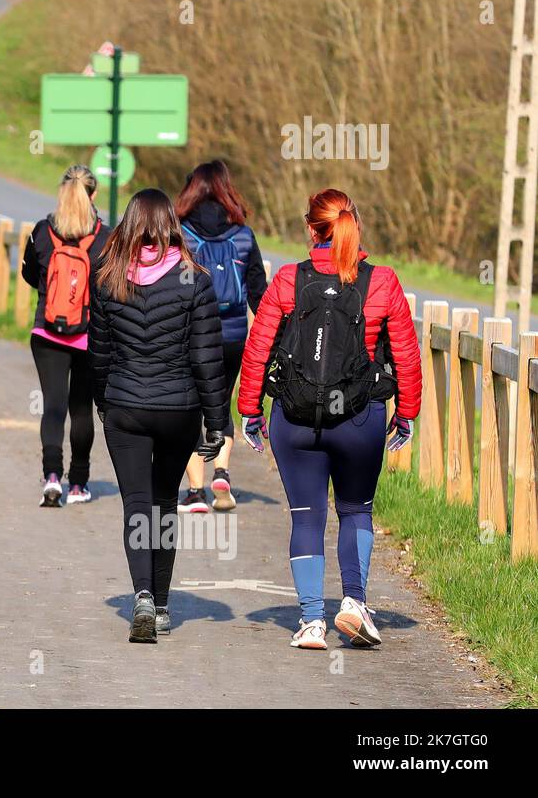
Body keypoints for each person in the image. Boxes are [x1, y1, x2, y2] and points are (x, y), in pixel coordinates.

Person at [237, 189, 421, 651]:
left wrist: (250, 410)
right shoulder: (382, 282)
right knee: (356, 509)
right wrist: (407, 413)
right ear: (353, 225)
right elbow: (406, 354)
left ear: (310, 229)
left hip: (295, 420)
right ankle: (354, 604)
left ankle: (311, 622)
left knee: (306, 516)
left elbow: (258, 347)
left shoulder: (286, 280)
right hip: (360, 420)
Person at [88, 188, 226, 643]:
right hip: (178, 409)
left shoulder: (107, 276)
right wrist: (216, 421)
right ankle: (162, 605)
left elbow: (100, 352)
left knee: (135, 505)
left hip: (126, 406)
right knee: (165, 503)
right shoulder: (194, 278)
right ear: (170, 223)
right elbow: (207, 357)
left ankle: (142, 596)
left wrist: (104, 401)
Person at [174, 159, 267, 513]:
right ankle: (222, 472)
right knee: (220, 404)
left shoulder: (179, 233)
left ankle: (196, 493)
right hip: (232, 336)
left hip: (190, 335)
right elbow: (259, 293)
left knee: (189, 409)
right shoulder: (243, 235)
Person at [21, 165, 108, 507]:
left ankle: (52, 475)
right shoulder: (105, 237)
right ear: (94, 195)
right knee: (81, 409)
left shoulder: (43, 231)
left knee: (53, 407)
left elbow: (30, 274)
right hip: (89, 336)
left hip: (46, 333)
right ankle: (79, 483)